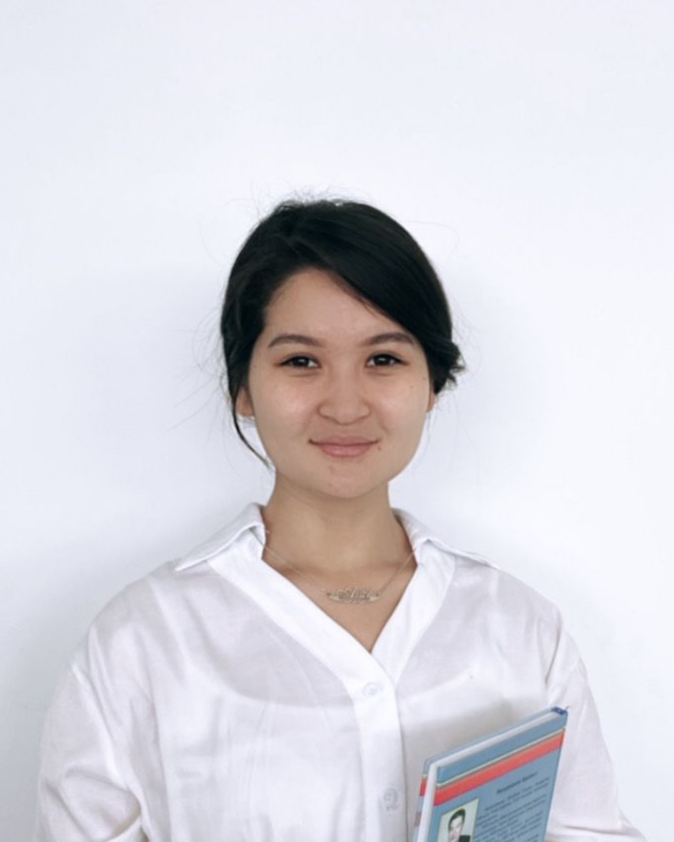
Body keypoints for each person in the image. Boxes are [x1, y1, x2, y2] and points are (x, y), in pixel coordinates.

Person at [33, 199, 645, 841]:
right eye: (301, 361)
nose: (346, 406)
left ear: (432, 383)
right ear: (243, 387)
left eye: (383, 359)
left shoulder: (518, 626)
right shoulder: (144, 640)